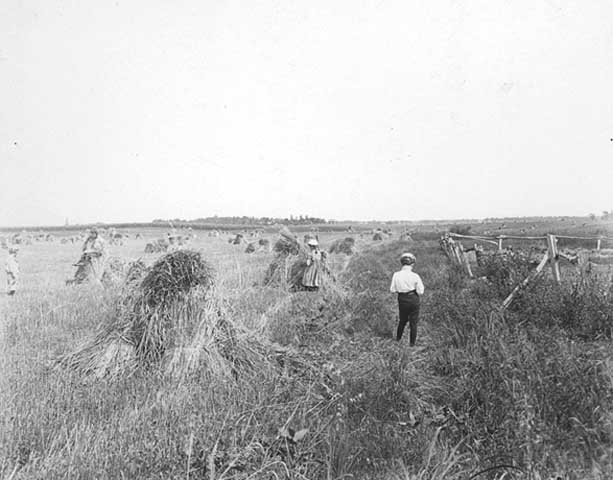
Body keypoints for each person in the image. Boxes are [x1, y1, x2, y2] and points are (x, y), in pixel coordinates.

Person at [390, 253, 424, 346]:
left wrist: (401, 290)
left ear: (402, 263)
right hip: (413, 298)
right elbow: (421, 291)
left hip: (402, 299)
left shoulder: (396, 275)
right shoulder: (415, 276)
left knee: (402, 320)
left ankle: (398, 339)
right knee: (413, 322)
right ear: (412, 264)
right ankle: (412, 344)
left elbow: (392, 289)